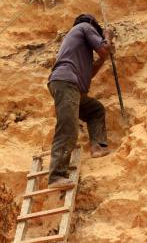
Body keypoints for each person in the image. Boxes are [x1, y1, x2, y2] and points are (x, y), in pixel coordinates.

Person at [46, 13, 115, 189]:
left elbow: (89, 72)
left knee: (95, 110)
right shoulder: (86, 27)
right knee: (68, 126)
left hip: (70, 85)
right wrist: (107, 35)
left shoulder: (78, 46)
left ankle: (97, 147)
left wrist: (103, 58)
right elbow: (104, 48)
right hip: (66, 83)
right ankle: (56, 176)